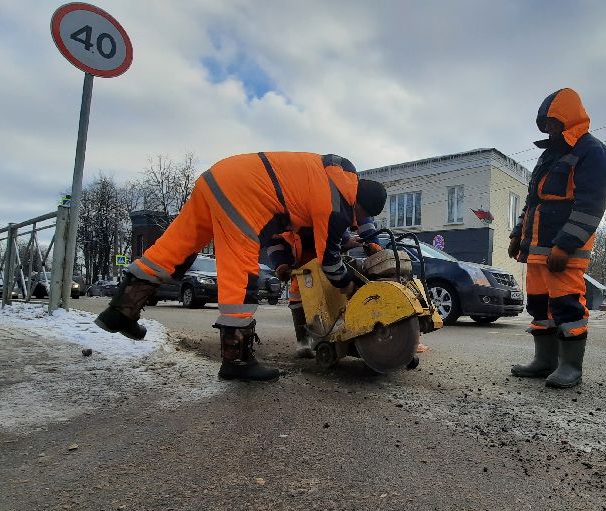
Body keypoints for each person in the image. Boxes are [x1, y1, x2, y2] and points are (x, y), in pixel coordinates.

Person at [94, 152, 388, 382]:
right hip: (246, 193)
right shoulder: (336, 204)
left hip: (218, 176)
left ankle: (120, 311)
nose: (354, 223)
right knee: (241, 272)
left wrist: (373, 243)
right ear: (358, 206)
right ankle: (236, 361)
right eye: (358, 218)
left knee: (175, 248)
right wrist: (350, 285)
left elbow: (347, 230)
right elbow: (330, 262)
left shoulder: (338, 177)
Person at [508, 88, 606, 388]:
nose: (548, 130)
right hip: (537, 252)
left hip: (562, 252)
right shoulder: (549, 155)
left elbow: (590, 205)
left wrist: (566, 244)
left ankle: (570, 367)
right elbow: (532, 203)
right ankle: (545, 361)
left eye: (552, 123)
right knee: (540, 308)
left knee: (567, 305)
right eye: (544, 126)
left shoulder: (592, 151)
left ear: (567, 119)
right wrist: (518, 236)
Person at [268, 218, 383, 359]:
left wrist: (372, 242)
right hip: (301, 255)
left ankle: (340, 329)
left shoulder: (350, 201)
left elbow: (363, 219)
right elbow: (274, 243)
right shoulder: (277, 216)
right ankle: (304, 341)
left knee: (335, 289)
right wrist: (281, 264)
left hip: (327, 247)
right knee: (298, 292)